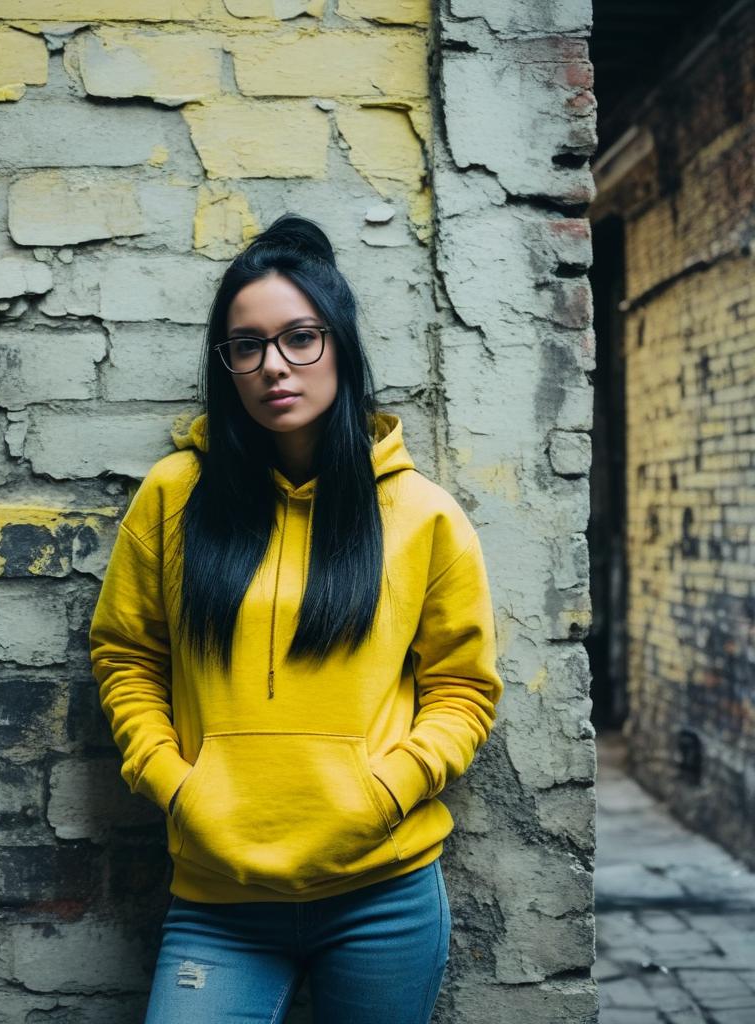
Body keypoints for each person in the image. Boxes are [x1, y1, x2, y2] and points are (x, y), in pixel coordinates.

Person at [88, 213, 504, 1023]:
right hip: (220, 897)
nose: (273, 365)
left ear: (340, 345)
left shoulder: (422, 514)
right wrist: (176, 785)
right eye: (247, 346)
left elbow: (463, 689)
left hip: (382, 894)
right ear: (227, 365)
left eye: (300, 338)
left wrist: (384, 792)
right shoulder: (174, 497)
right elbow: (127, 657)